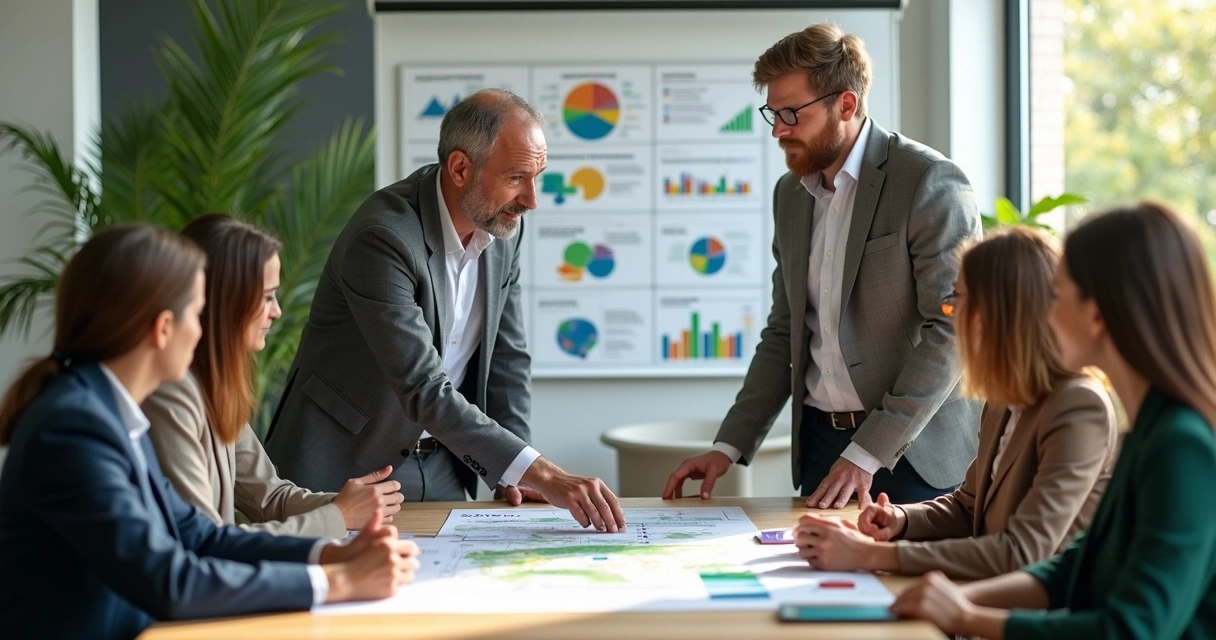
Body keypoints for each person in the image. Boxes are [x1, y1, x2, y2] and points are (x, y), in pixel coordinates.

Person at [0, 225, 418, 640]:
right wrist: (339, 582)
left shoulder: (109, 412)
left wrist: (333, 553)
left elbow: (200, 536)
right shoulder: (74, 429)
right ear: (163, 328)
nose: (202, 331)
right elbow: (170, 581)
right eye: (196, 314)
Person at [264, 88, 625, 533]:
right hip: (346, 470)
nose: (532, 200)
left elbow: (508, 359)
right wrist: (544, 473)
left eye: (539, 176)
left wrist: (516, 476)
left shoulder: (503, 226)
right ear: (459, 168)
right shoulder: (383, 238)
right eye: (516, 178)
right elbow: (422, 385)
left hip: (443, 468)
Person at [665, 23, 982, 508]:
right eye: (773, 112)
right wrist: (727, 447)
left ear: (847, 105)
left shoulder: (927, 181)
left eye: (791, 112)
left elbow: (954, 329)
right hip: (820, 449)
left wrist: (868, 451)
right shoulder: (790, 195)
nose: (778, 129)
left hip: (910, 452)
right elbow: (784, 331)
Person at [891, 202, 1216, 638]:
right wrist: (959, 599)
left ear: (1097, 316)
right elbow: (1074, 567)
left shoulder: (1181, 445)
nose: (1046, 313)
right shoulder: (1149, 429)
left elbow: (1133, 629)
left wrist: (967, 617)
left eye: (1057, 296)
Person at [792, 227, 1118, 579]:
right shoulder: (1005, 400)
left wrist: (871, 555)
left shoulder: (1079, 407)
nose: (952, 315)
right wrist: (900, 520)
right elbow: (969, 506)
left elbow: (1021, 551)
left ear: (1001, 312)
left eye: (958, 301)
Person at [144, 214, 405, 538]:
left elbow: (270, 496)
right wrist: (340, 515)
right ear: (225, 300)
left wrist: (347, 505)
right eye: (267, 296)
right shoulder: (171, 393)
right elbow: (204, 542)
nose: (277, 310)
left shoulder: (217, 383)